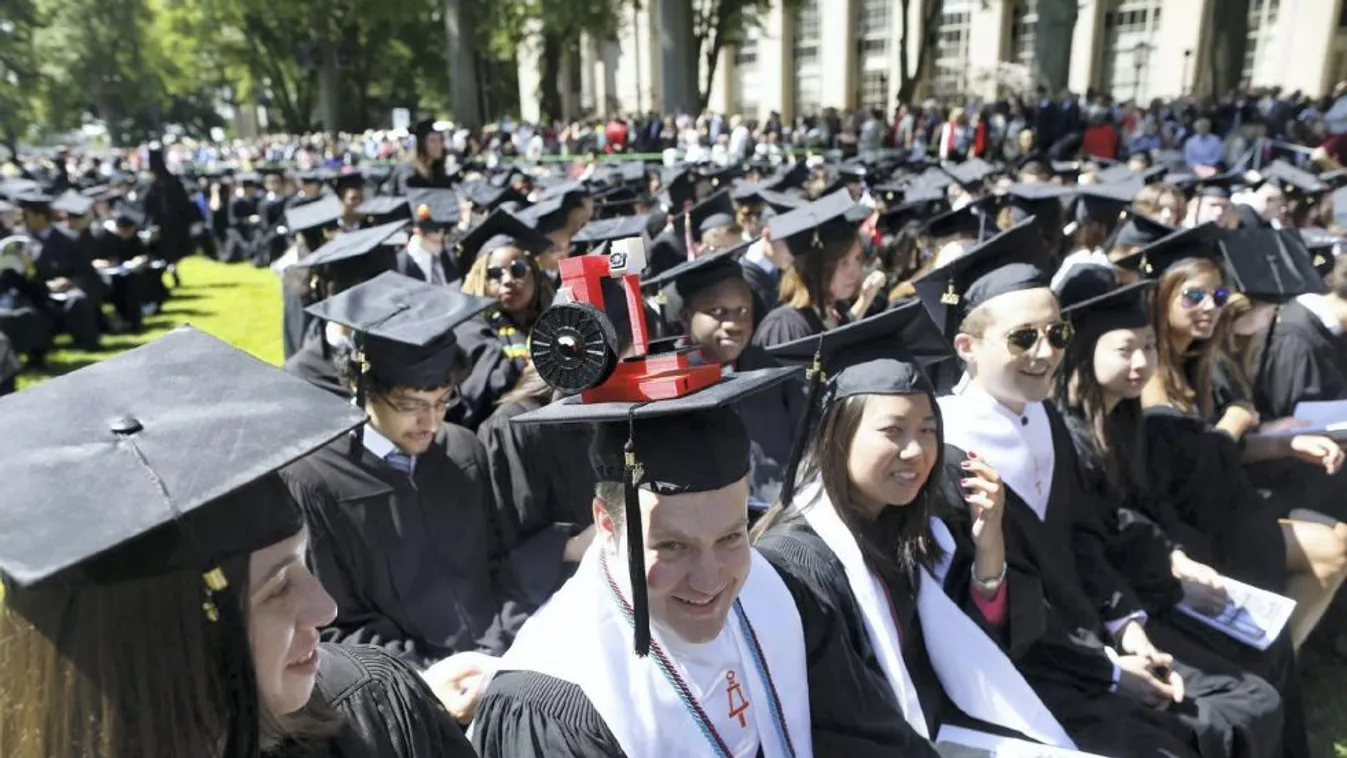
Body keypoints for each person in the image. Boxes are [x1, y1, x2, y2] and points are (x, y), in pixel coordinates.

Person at [0, 326, 474, 758]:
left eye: (302, 564)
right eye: (275, 587)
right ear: (168, 638)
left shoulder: (374, 710)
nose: (324, 608)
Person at [916, 219, 1284, 758]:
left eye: (1057, 333)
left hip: (1091, 641)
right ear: (967, 346)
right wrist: (1109, 671)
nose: (1046, 352)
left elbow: (1083, 537)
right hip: (1023, 673)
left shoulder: (1048, 424)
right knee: (1185, 738)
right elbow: (983, 614)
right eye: (1024, 338)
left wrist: (1125, 624)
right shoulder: (950, 455)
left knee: (1252, 702)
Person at [754, 303, 1082, 755]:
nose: (916, 451)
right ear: (838, 434)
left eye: (928, 430)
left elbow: (981, 651)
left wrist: (990, 546)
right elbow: (842, 720)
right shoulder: (798, 563)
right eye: (893, 430)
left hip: (948, 729)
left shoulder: (921, 517)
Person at [468, 353, 823, 757]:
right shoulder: (554, 697)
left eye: (731, 537)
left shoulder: (774, 592)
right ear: (606, 527)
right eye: (672, 546)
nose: (709, 580)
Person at [1052, 265, 1309, 758]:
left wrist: (1175, 556)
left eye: (1149, 347)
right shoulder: (1067, 437)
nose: (1141, 363)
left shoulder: (1124, 422)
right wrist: (1170, 581)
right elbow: (1097, 540)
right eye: (1125, 350)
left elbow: (1135, 516)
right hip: (1116, 602)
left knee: (1269, 645)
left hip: (1148, 577)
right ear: (1084, 352)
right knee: (1248, 682)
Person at [281, 272, 530, 669]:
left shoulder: (462, 450)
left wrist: (514, 639)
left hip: (508, 658)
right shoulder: (314, 481)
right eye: (411, 405)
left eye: (443, 400)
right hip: (410, 687)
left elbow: (499, 568)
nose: (430, 423)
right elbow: (338, 623)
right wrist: (430, 676)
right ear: (360, 387)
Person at [643, 244, 803, 508]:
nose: (733, 324)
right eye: (717, 312)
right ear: (686, 317)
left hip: (779, 511)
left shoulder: (770, 368)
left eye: (743, 310)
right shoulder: (669, 382)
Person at [454, 210, 556, 430]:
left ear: (535, 275)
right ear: (480, 280)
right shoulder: (469, 329)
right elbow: (489, 389)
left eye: (518, 270)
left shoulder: (555, 319)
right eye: (494, 274)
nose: (508, 280)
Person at [753, 190, 874, 347]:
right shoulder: (786, 327)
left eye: (857, 258)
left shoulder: (835, 314)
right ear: (813, 266)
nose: (855, 271)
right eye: (842, 262)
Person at [17, 192, 101, 350]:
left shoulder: (68, 239)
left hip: (65, 290)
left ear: (40, 217)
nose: (23, 220)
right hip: (34, 292)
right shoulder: (20, 241)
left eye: (26, 216)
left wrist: (69, 282)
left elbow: (85, 271)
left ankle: (86, 343)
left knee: (78, 300)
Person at [398, 191, 462, 286]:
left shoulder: (450, 256)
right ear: (418, 232)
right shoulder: (402, 265)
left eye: (445, 231)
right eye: (436, 231)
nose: (442, 237)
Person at [390, 120, 458, 195]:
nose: (439, 145)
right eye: (433, 141)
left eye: (440, 140)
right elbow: (404, 197)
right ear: (421, 144)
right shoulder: (407, 170)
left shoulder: (434, 169)